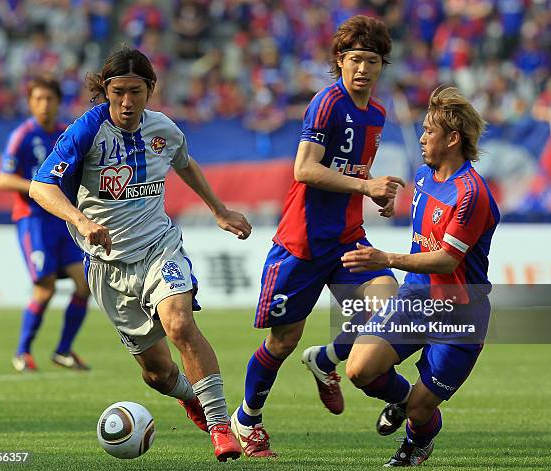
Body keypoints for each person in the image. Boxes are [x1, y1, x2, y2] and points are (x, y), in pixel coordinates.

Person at [29, 47, 251, 462]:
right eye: (117, 94)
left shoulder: (162, 129)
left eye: (135, 92)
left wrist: (218, 209)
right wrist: (81, 221)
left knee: (180, 325)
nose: (127, 103)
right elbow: (40, 186)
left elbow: (184, 162)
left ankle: (221, 428)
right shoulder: (86, 131)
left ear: (150, 89)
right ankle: (191, 398)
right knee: (157, 372)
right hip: (107, 266)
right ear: (105, 92)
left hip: (157, 248)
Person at [230, 15, 405, 457]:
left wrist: (376, 196)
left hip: (348, 236)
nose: (362, 69)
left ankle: (327, 359)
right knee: (283, 341)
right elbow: (304, 170)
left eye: (371, 61)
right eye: (354, 60)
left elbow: (353, 172)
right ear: (339, 62)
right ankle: (247, 418)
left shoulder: (378, 114)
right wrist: (366, 186)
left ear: (382, 65)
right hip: (302, 243)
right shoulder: (326, 103)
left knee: (388, 303)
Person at [341, 86, 499, 466]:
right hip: (415, 298)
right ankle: (402, 401)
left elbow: (445, 261)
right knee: (359, 369)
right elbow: (425, 221)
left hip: (459, 314)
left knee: (420, 411)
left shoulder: (471, 194)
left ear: (453, 139)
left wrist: (386, 258)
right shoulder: (425, 176)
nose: (423, 137)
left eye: (430, 131)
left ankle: (416, 442)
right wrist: (388, 199)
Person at [0, 76, 91, 372]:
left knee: (84, 284)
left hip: (63, 219)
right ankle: (22, 352)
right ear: (30, 103)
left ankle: (63, 351)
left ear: (58, 102)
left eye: (49, 99)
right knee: (45, 288)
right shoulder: (23, 135)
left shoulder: (68, 134)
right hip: (34, 220)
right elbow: (2, 179)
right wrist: (40, 186)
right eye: (38, 99)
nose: (44, 105)